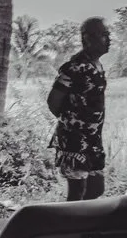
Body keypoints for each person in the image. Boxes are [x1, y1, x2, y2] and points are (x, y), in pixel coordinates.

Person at [48, 17, 112, 201]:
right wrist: (72, 124)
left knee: (96, 189)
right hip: (75, 142)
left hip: (93, 140)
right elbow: (53, 102)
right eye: (104, 35)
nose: (109, 39)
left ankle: (83, 226)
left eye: (108, 34)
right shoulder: (74, 67)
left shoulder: (97, 66)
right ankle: (69, 227)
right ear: (88, 38)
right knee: (77, 194)